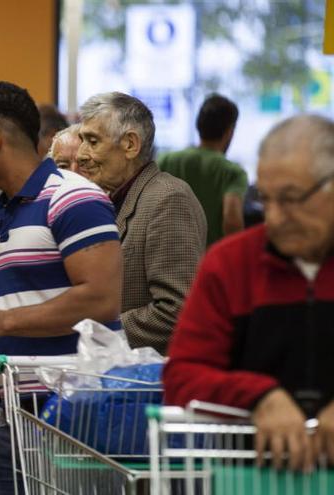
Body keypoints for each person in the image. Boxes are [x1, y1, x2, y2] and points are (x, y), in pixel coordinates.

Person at [0, 82, 123, 494]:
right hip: (21, 416)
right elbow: (20, 319)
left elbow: (100, 298)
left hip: (80, 416)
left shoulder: (74, 198)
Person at [164, 114, 334, 472]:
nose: (273, 217)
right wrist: (258, 396)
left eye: (290, 199)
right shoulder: (230, 264)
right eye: (265, 198)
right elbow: (183, 375)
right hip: (251, 476)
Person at [76, 92, 207, 355]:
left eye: (92, 141)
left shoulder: (168, 198)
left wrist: (98, 336)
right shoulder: (114, 200)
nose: (80, 155)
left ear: (130, 145)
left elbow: (176, 311)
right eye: (82, 140)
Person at [158, 94, 248, 246]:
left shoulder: (165, 160)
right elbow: (231, 220)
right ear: (229, 132)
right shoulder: (232, 172)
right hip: (210, 262)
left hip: (168, 256)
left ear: (198, 125)